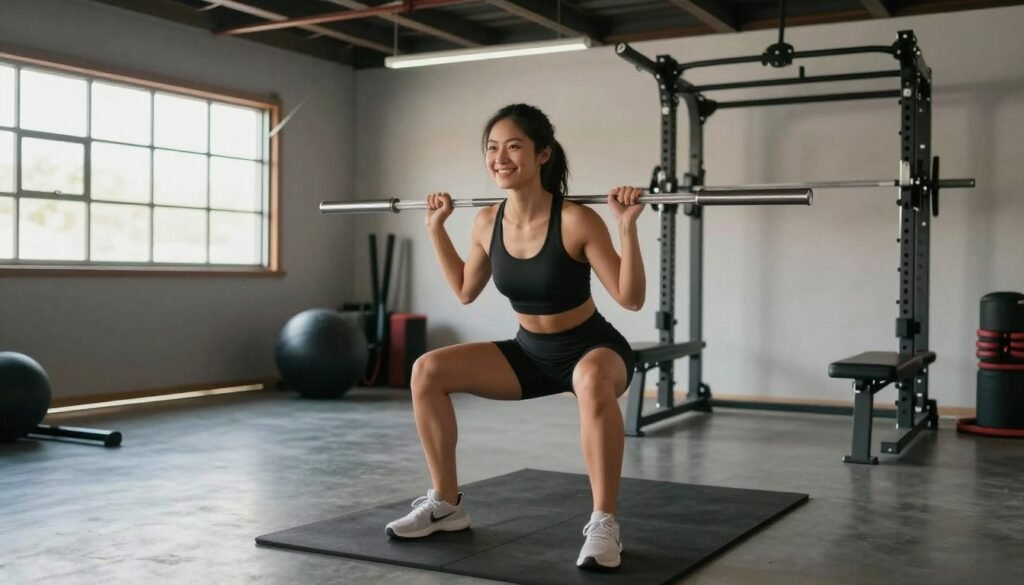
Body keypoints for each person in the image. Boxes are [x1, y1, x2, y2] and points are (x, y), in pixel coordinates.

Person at [384, 103, 645, 571]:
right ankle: (446, 504)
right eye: (492, 148)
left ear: (543, 154)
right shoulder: (487, 222)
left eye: (514, 146)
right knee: (428, 370)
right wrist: (434, 228)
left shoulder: (577, 220)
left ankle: (605, 523)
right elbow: (466, 290)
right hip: (529, 353)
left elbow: (630, 298)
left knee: (589, 379)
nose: (500, 157)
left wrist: (626, 227)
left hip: (592, 349)